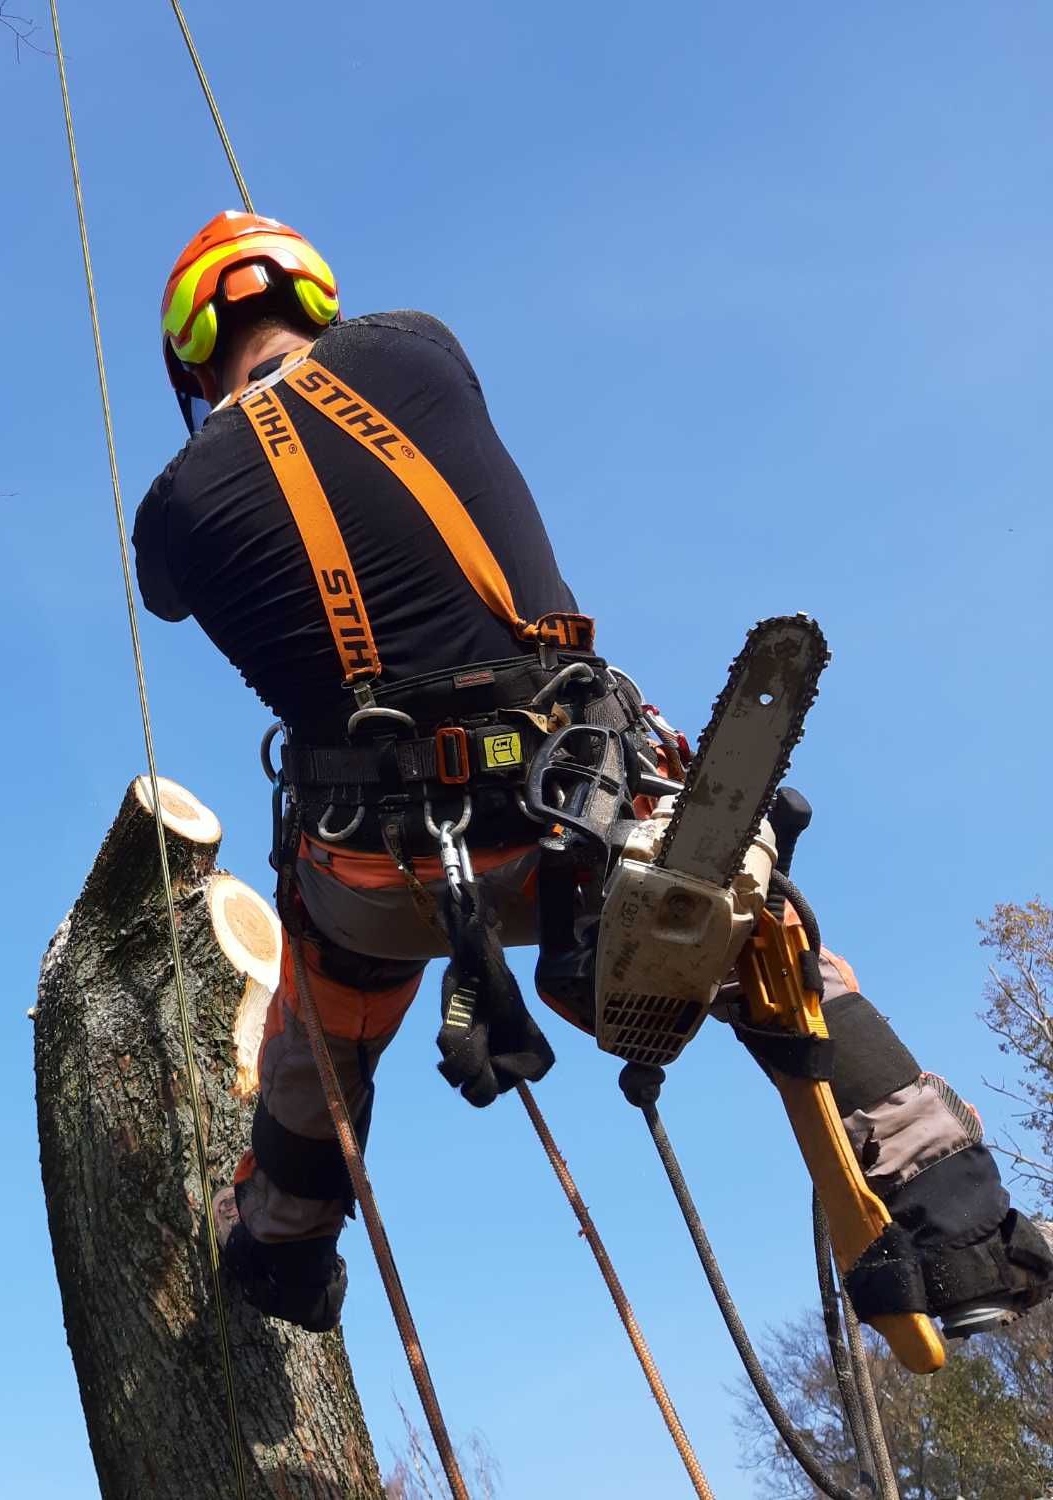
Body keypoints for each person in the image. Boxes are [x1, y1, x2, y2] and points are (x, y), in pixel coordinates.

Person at [133, 210, 1052, 1336]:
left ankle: (280, 1247)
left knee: (315, 1030)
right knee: (773, 951)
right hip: (571, 804)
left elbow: (169, 596)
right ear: (312, 301)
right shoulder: (413, 347)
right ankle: (959, 1230)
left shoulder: (173, 505)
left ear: (190, 357)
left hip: (375, 868)